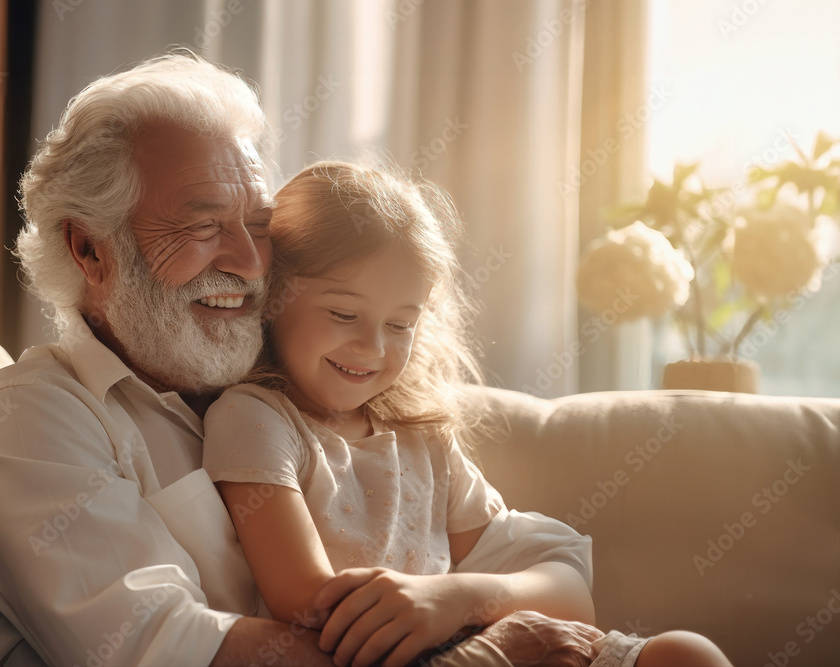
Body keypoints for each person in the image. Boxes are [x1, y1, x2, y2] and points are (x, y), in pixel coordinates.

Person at [0, 49, 642, 667]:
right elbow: (172, 647)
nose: (251, 263)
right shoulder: (36, 415)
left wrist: (463, 601)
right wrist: (491, 648)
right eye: (203, 224)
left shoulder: (311, 396)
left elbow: (546, 566)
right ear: (90, 249)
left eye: (257, 224)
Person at [202, 161, 735, 667]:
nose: (372, 346)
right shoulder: (255, 419)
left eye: (400, 324)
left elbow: (570, 592)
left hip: (484, 636)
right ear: (271, 298)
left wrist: (456, 597)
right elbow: (310, 604)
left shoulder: (421, 439)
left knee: (686, 653)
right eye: (344, 313)